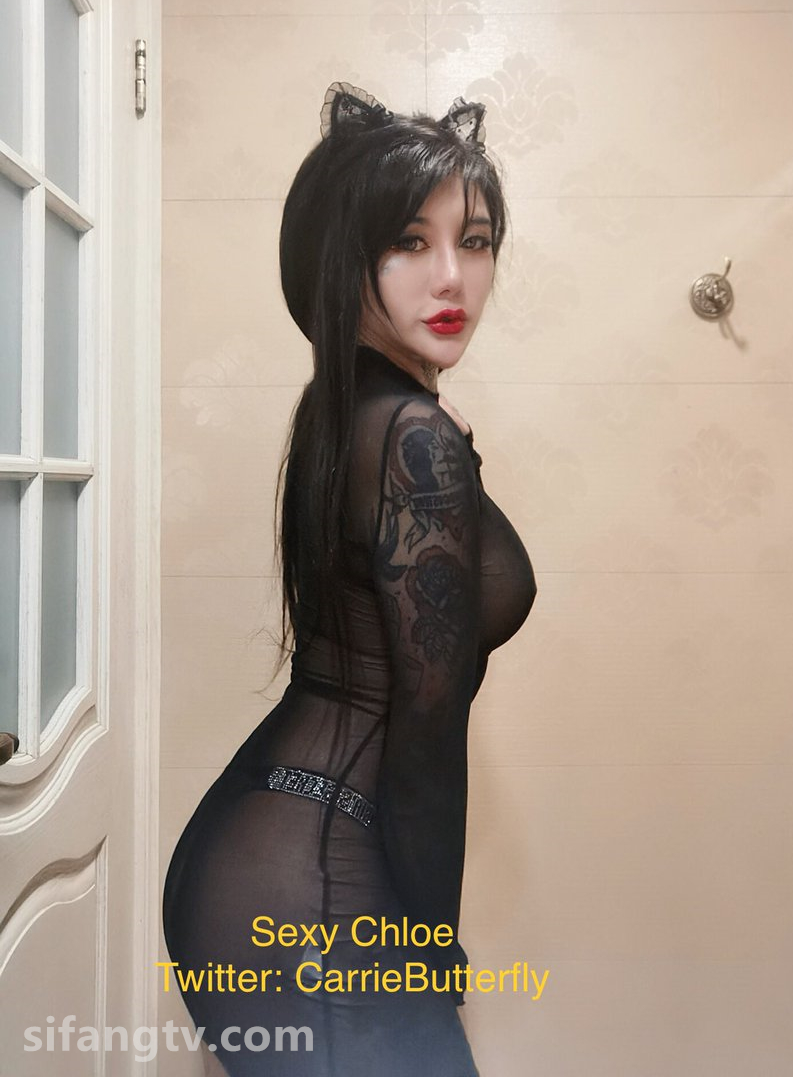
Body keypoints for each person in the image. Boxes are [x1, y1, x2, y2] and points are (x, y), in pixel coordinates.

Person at [162, 82, 537, 1075]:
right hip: (312, 874)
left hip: (267, 848)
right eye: (410, 242)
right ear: (345, 258)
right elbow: (426, 734)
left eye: (476, 241)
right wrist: (431, 949)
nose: (453, 276)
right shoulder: (410, 432)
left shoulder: (354, 409)